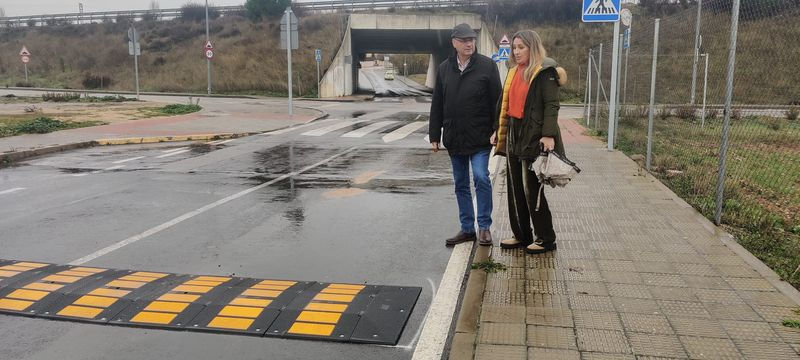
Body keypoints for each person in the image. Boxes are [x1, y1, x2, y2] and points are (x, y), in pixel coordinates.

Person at [491, 29, 567, 254]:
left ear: (532, 47)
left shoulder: (544, 72)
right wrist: (498, 129)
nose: (516, 51)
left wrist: (548, 134)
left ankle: (545, 237)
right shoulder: (513, 71)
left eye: (521, 47)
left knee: (530, 188)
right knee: (515, 187)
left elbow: (551, 105)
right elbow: (503, 103)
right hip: (513, 131)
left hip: (533, 133)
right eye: (514, 48)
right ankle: (522, 234)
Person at [429, 23, 502, 247]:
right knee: (460, 184)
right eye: (464, 40)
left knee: (481, 177)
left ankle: (485, 228)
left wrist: (497, 129)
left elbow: (497, 102)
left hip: (480, 136)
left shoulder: (487, 66)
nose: (469, 43)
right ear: (454, 43)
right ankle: (467, 229)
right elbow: (437, 103)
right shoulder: (444, 69)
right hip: (455, 136)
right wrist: (434, 134)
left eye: (471, 39)